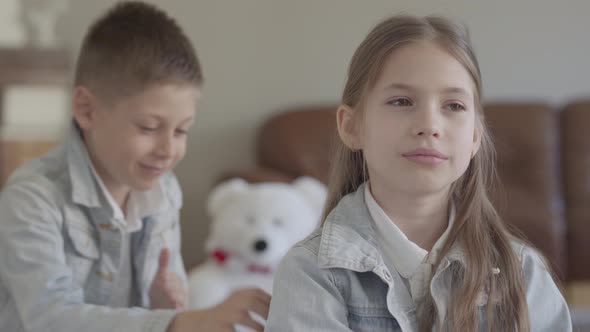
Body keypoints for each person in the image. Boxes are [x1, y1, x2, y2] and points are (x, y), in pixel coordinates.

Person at [265, 15, 571, 332]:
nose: (429, 125)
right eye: (401, 101)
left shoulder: (523, 272)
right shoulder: (310, 272)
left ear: (476, 136)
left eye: (453, 106)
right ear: (351, 126)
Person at [0, 2, 269, 332]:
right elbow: (50, 319)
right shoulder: (32, 198)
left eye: (182, 130)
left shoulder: (165, 190)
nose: (169, 150)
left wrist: (162, 304)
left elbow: (162, 309)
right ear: (86, 110)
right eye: (148, 127)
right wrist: (173, 322)